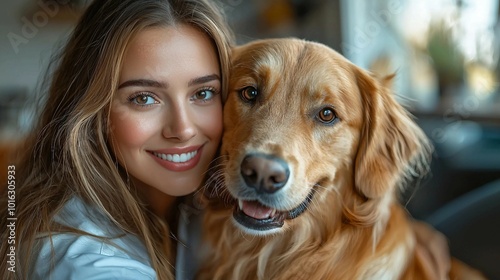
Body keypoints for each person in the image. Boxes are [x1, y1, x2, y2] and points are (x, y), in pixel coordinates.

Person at [0, 0, 233, 279]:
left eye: (203, 93)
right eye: (144, 98)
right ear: (94, 111)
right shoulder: (84, 264)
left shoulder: (200, 209)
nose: (183, 129)